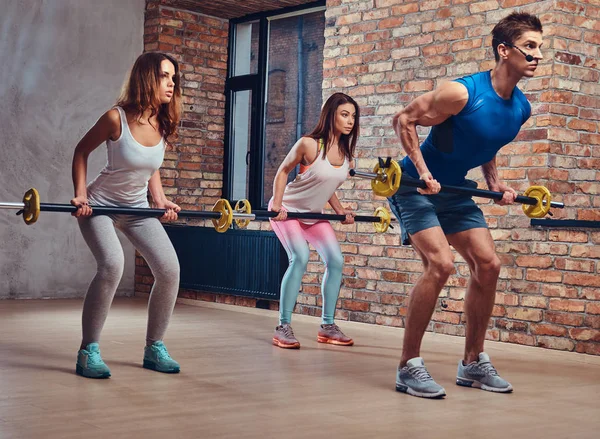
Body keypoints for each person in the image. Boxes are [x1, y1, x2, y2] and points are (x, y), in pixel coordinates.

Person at [389, 12, 543, 398]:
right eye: (530, 46)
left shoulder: (520, 108)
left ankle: (472, 362)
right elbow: (404, 120)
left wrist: (495, 183)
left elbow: (483, 143)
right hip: (414, 186)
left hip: (457, 191)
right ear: (503, 51)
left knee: (488, 264)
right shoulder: (461, 93)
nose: (538, 54)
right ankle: (409, 366)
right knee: (440, 264)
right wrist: (423, 172)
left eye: (540, 47)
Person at [70, 52, 183, 378]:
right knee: (112, 264)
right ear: (147, 78)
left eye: (173, 78)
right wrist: (81, 194)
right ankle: (88, 350)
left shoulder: (162, 122)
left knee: (170, 269)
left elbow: (151, 168)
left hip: (137, 209)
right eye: (165, 76)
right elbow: (81, 151)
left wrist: (160, 200)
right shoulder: (115, 118)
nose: (171, 84)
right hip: (101, 206)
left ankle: (154, 347)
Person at [269, 92, 360, 349]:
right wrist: (277, 205)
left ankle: (328, 326)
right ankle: (283, 326)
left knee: (336, 261)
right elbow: (282, 171)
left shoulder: (345, 154)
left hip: (313, 215)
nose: (350, 120)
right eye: (344, 114)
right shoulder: (309, 144)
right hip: (288, 210)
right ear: (330, 115)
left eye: (353, 116)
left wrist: (341, 212)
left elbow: (326, 186)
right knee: (300, 257)